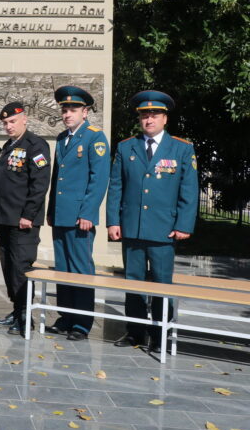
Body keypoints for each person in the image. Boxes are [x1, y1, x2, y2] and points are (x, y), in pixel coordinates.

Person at [107, 91, 198, 352]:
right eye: (144, 115)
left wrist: (183, 225)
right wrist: (114, 221)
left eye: (154, 114)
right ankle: (135, 332)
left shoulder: (182, 148)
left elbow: (189, 190)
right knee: (133, 283)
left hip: (163, 229)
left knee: (161, 283)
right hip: (132, 227)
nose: (149, 119)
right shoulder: (127, 147)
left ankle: (161, 334)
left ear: (165, 118)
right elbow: (116, 187)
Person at [46, 86, 110, 341]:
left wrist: (88, 213)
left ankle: (82, 322)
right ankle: (66, 316)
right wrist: (51, 210)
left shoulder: (95, 138)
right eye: (64, 109)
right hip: (62, 215)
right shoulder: (63, 138)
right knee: (63, 268)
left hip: (80, 217)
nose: (67, 113)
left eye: (73, 109)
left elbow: (98, 180)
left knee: (81, 268)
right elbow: (57, 179)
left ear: (85, 112)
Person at [0, 102, 52, 335]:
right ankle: (17, 310)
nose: (8, 126)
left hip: (23, 222)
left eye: (12, 121)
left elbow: (39, 184)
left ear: (24, 119)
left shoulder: (36, 145)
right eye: (5, 123)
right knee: (8, 267)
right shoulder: (8, 146)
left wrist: (28, 215)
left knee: (21, 268)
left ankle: (25, 316)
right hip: (5, 219)